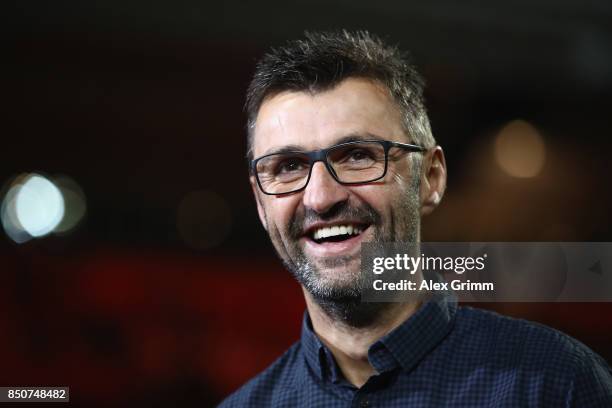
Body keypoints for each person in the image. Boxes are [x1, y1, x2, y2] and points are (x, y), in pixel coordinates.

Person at [219, 30, 612, 407]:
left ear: (430, 178)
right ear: (259, 200)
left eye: (357, 156)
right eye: (288, 166)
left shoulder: (559, 385)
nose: (320, 198)